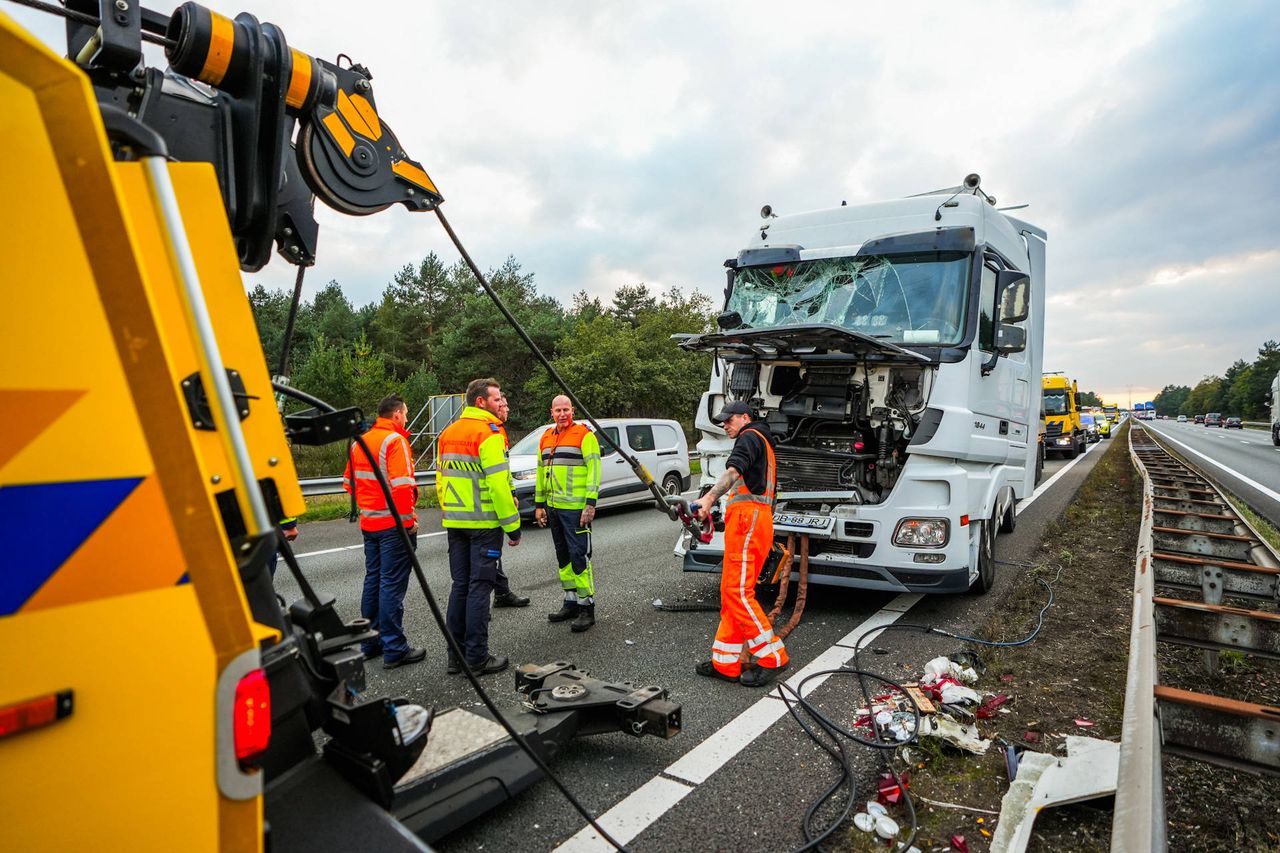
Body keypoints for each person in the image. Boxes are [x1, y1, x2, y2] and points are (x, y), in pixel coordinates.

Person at [691, 401, 789, 687]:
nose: (724, 425)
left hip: (749, 522)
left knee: (737, 592)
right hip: (751, 522)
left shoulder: (749, 436)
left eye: (728, 419)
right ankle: (726, 662)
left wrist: (708, 499)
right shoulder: (763, 443)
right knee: (731, 593)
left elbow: (733, 472)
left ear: (745, 417)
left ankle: (773, 657)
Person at [437, 377, 521, 675]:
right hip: (484, 523)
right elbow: (499, 485)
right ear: (481, 402)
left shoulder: (448, 432)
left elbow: (441, 479)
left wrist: (449, 511)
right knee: (479, 589)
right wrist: (512, 526)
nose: (502, 403)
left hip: (455, 521)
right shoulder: (489, 433)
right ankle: (477, 657)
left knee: (459, 586)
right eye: (498, 399)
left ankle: (455, 656)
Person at [343, 395, 424, 669]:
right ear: (397, 414)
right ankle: (395, 648)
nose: (407, 418)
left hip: (370, 525)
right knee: (391, 585)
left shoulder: (359, 441)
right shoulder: (394, 441)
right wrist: (408, 522)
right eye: (406, 413)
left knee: (374, 581)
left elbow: (349, 484)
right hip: (393, 527)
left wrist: (370, 503)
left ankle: (370, 642)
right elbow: (402, 487)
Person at [534, 395, 602, 632]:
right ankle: (570, 601)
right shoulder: (546, 437)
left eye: (566, 409)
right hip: (553, 507)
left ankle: (586, 607)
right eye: (557, 410)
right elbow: (541, 473)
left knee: (579, 556)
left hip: (576, 510)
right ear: (551, 412)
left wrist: (590, 504)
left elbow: (594, 471)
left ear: (572, 410)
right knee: (563, 557)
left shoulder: (585, 436)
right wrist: (539, 505)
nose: (562, 414)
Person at [490, 392, 531, 609]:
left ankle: (502, 592)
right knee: (485, 559)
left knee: (490, 556)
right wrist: (513, 528)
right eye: (502, 405)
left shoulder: (500, 432)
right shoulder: (490, 432)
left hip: (476, 507)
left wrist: (513, 491)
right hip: (485, 508)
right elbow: (496, 477)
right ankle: (476, 610)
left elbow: (504, 468)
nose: (506, 409)